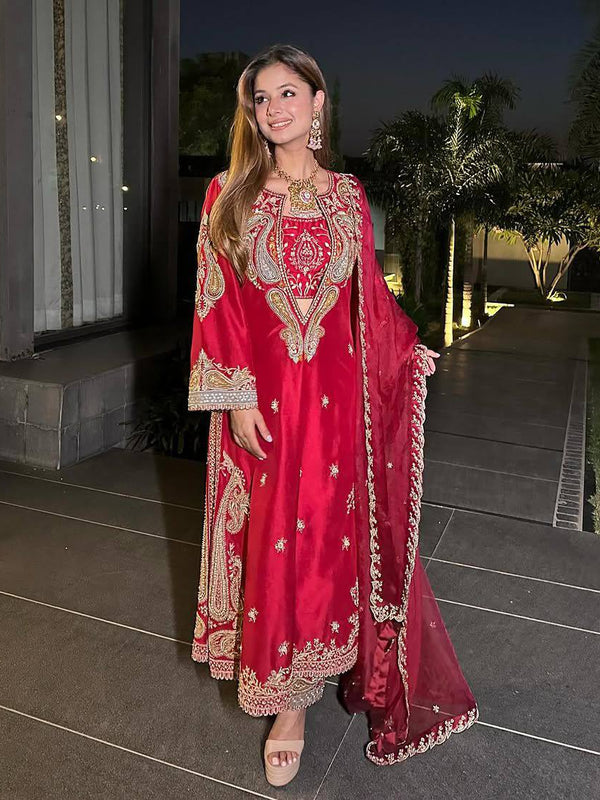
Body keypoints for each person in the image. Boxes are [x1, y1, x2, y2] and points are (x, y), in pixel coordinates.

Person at [187, 43, 478, 788]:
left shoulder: (348, 195)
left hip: (336, 403)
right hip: (265, 402)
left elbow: (368, 296)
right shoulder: (228, 194)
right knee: (273, 540)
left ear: (318, 103)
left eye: (289, 93)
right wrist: (238, 396)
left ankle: (309, 684)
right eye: (261, 98)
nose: (274, 108)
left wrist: (406, 349)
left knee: (324, 541)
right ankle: (285, 698)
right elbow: (217, 300)